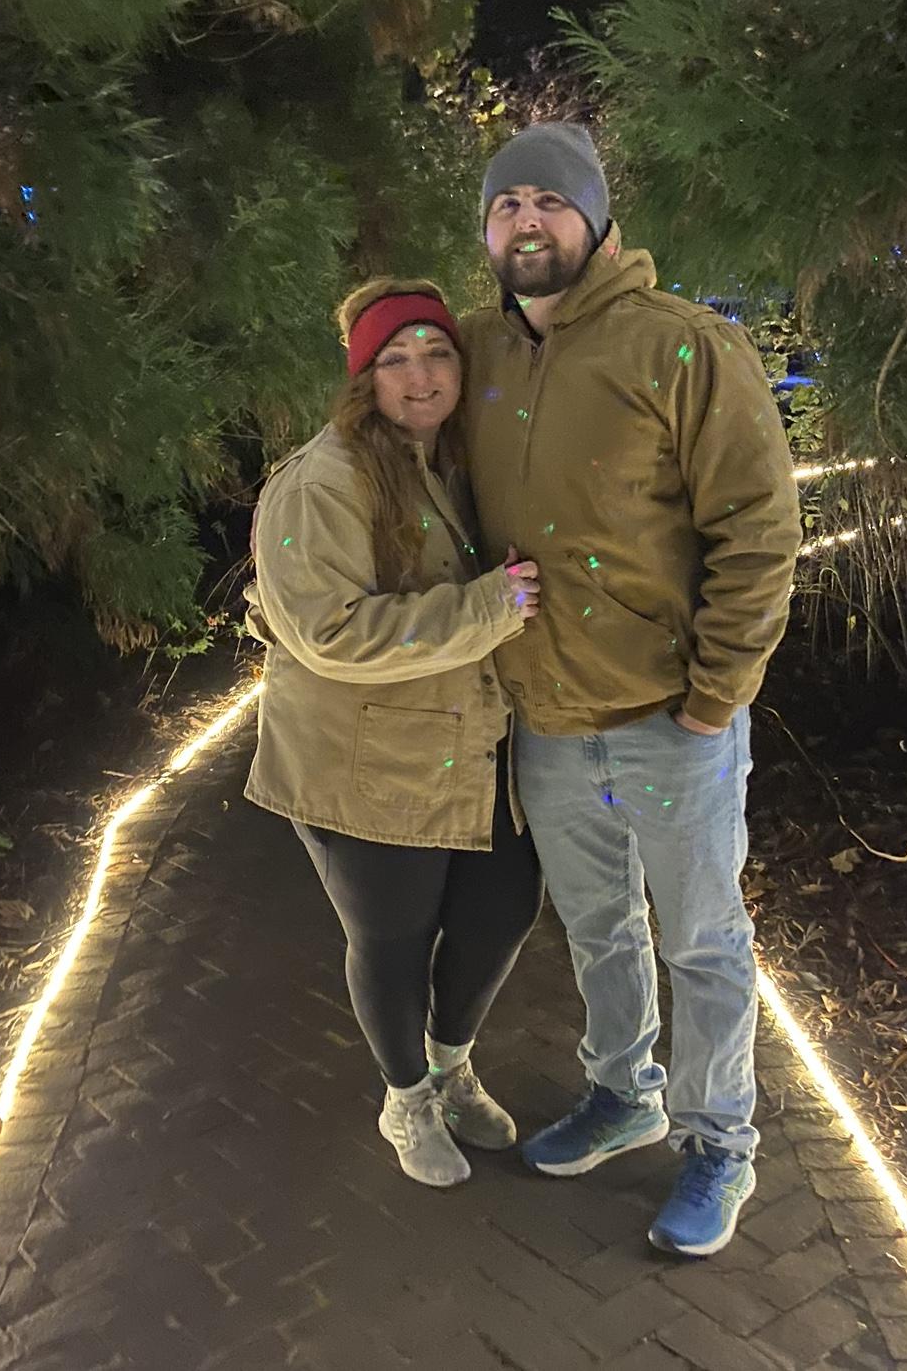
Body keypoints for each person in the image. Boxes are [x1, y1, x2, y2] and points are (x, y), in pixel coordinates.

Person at [462, 122, 801, 1256]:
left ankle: (720, 1143)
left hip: (670, 721)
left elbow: (758, 530)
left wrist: (715, 696)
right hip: (549, 722)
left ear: (598, 220)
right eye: (506, 205)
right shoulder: (479, 352)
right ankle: (624, 1094)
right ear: (488, 233)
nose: (527, 220)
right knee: (600, 931)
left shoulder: (684, 347)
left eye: (549, 201)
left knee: (701, 941)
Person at [245, 278, 545, 1189]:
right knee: (394, 939)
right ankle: (406, 1096)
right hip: (360, 759)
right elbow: (327, 632)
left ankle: (451, 1066)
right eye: (395, 359)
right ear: (362, 376)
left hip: (468, 742)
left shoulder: (453, 458)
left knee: (503, 908)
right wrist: (491, 606)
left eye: (438, 352)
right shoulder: (323, 481)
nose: (421, 376)